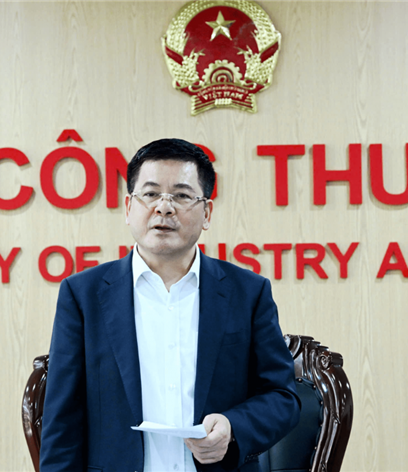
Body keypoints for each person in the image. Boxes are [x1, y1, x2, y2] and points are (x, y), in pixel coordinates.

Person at [40, 138, 301, 472]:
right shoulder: (82, 295)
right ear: (128, 208)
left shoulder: (248, 293)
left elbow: (283, 398)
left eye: (181, 195)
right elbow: (62, 420)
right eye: (150, 194)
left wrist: (233, 426)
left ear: (206, 213)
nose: (164, 208)